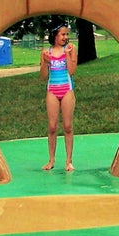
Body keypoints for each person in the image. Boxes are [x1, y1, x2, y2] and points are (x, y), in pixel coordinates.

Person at [40, 22, 77, 171]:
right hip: (52, 90)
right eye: (62, 34)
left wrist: (68, 54)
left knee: (67, 126)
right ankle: (51, 160)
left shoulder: (71, 48)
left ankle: (69, 161)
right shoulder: (46, 51)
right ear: (55, 35)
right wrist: (45, 62)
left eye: (67, 34)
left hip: (67, 89)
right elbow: (43, 76)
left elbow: (72, 71)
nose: (65, 37)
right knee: (52, 126)